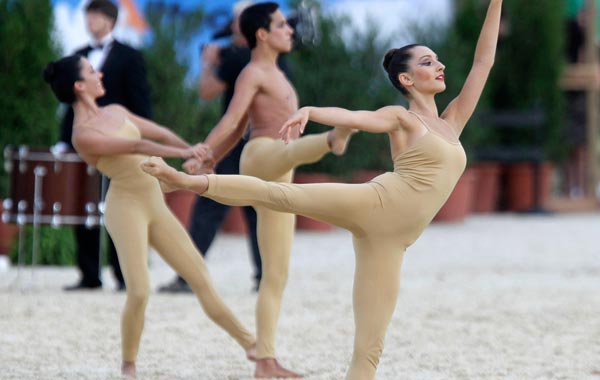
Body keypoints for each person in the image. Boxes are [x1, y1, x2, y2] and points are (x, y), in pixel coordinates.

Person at [140, 1, 502, 379]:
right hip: (376, 203)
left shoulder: (453, 120)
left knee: (370, 347)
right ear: (407, 80)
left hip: (391, 242)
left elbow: (483, 63)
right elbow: (359, 118)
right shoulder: (402, 118)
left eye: (437, 60)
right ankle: (183, 181)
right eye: (428, 62)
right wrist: (313, 111)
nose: (440, 65)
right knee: (279, 195)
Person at [43, 55, 257, 379]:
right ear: (79, 86)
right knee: (140, 291)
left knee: (199, 275)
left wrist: (196, 153)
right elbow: (135, 146)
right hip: (125, 207)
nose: (99, 73)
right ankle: (129, 365)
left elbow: (157, 131)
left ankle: (253, 346)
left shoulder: (115, 110)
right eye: (91, 71)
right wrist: (183, 154)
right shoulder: (81, 134)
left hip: (154, 204)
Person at [180, 2, 355, 377]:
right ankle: (330, 140)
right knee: (287, 150)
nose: (290, 30)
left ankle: (266, 361)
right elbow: (232, 120)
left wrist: (211, 160)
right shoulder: (252, 72)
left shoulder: (277, 73)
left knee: (275, 274)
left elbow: (237, 124)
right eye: (281, 25)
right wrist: (205, 153)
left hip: (282, 170)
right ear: (262, 34)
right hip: (260, 156)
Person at [158, 0, 276, 294]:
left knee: (209, 204)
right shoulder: (272, 55)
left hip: (239, 144)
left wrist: (208, 62)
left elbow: (208, 92)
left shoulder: (237, 57)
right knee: (261, 208)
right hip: (267, 142)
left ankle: (187, 276)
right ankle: (267, 278)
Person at [59, 0, 152, 291]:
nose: (90, 21)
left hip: (118, 141)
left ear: (110, 20)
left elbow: (140, 103)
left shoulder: (130, 56)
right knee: (84, 204)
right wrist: (64, 141)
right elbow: (69, 104)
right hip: (85, 142)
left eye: (96, 16)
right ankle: (89, 274)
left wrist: (139, 141)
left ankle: (124, 275)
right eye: (88, 15)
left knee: (120, 207)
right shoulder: (78, 56)